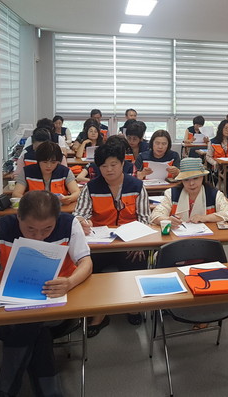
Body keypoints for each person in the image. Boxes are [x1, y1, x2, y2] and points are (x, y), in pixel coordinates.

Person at [0, 190, 92, 396]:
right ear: (18, 217)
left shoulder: (69, 224)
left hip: (59, 304)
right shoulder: (1, 227)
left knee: (29, 324)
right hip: (12, 305)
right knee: (35, 328)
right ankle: (50, 392)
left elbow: (86, 263)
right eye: (30, 229)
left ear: (56, 219)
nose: (38, 236)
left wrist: (69, 282)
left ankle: (4, 388)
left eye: (47, 229)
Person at [73, 141, 151, 336]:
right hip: (99, 244)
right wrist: (82, 222)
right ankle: (100, 312)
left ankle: (133, 306)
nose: (109, 170)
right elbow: (79, 214)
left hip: (130, 243)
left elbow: (144, 219)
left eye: (113, 164)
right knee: (88, 267)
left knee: (137, 259)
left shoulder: (137, 186)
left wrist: (139, 243)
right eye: (104, 166)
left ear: (123, 163)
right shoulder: (91, 188)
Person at [151, 157, 228, 227]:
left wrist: (205, 218)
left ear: (202, 177)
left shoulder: (214, 194)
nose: (191, 183)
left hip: (207, 239)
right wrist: (167, 220)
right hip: (177, 240)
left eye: (196, 178)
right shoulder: (172, 194)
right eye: (186, 180)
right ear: (181, 180)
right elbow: (155, 215)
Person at [13, 141, 80, 205]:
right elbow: (16, 194)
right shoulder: (27, 172)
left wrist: (69, 198)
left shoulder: (65, 172)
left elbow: (76, 192)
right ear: (38, 160)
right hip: (34, 209)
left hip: (60, 208)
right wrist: (32, 201)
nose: (49, 166)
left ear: (58, 162)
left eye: (53, 162)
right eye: (45, 162)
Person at [206, 119, 228, 199]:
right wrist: (215, 163)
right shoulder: (213, 141)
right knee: (227, 174)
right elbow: (208, 156)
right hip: (218, 167)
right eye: (226, 128)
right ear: (221, 129)